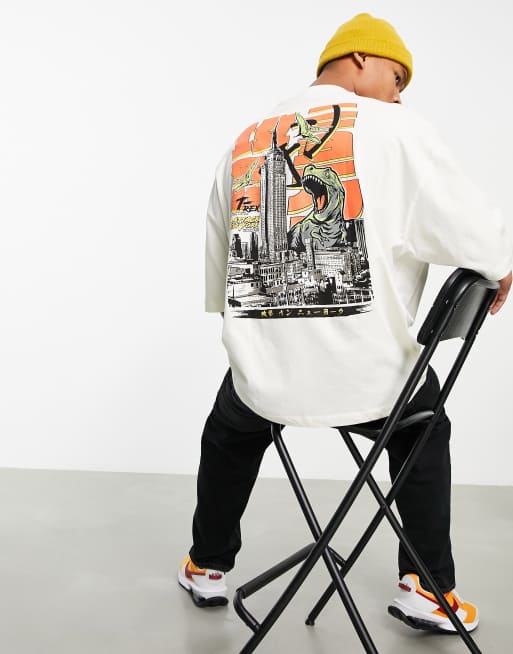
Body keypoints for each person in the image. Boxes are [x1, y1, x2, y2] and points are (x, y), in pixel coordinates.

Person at [178, 13, 512, 634]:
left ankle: (207, 565)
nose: (399, 93)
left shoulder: (245, 141)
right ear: (360, 58)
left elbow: (222, 286)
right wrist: (497, 264)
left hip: (266, 384)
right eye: (396, 77)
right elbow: (481, 237)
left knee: (229, 429)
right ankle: (429, 587)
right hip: (375, 389)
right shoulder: (399, 130)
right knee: (423, 426)